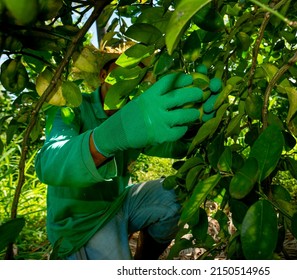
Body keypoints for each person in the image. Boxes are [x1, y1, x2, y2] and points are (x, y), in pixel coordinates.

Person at [34, 53, 218, 260]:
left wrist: (194, 124)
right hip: (81, 223)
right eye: (122, 68)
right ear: (103, 75)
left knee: (176, 194)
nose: (129, 76)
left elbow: (171, 147)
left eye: (136, 71)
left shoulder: (139, 113)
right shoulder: (72, 109)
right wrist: (110, 136)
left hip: (118, 202)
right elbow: (49, 163)